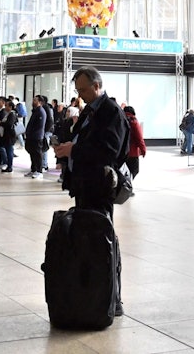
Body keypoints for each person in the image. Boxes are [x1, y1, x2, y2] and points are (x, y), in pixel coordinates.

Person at [52, 67, 129, 317]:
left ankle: (111, 298)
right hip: (85, 185)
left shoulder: (111, 112)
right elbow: (83, 141)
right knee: (90, 242)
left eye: (84, 89)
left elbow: (109, 150)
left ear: (97, 86)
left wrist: (73, 151)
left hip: (100, 186)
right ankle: (92, 293)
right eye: (78, 90)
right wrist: (69, 148)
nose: (81, 95)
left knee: (103, 240)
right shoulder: (90, 111)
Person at [24, 94, 48, 179]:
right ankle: (33, 169)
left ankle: (39, 171)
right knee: (32, 153)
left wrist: (32, 133)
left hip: (37, 137)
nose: (33, 102)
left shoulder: (41, 111)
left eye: (35, 100)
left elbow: (39, 126)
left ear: (40, 102)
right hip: (31, 136)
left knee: (37, 154)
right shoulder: (35, 111)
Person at [0, 97, 17, 172]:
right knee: (7, 150)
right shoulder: (8, 114)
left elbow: (9, 124)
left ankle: (9, 166)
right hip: (6, 136)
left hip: (9, 136)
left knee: (9, 151)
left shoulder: (12, 114)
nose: (5, 107)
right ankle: (8, 165)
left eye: (7, 106)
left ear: (10, 107)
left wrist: (1, 123)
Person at [123, 106, 146, 177]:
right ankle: (127, 184)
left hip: (122, 152)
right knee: (134, 170)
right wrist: (143, 150)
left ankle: (125, 183)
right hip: (132, 153)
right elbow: (139, 137)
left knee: (124, 171)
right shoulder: (133, 121)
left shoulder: (120, 120)